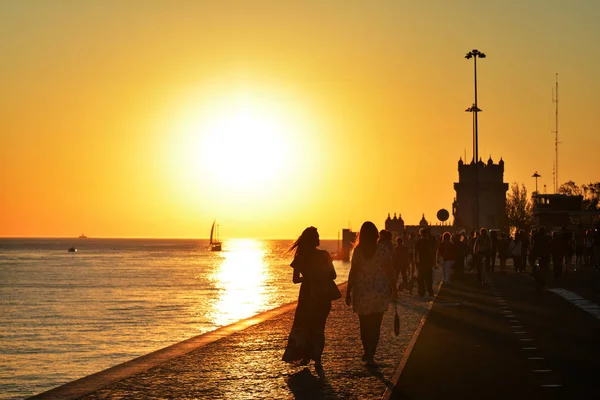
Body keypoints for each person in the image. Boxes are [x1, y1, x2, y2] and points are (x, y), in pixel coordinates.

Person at [283, 226, 341, 373]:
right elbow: (333, 275)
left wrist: (308, 278)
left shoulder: (300, 257)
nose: (319, 238)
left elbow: (295, 280)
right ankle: (318, 359)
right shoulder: (324, 255)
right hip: (322, 295)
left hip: (307, 296)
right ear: (313, 240)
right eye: (317, 236)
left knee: (305, 326)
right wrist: (320, 276)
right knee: (319, 328)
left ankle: (305, 356)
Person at [346, 221, 398, 368]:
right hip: (379, 292)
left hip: (361, 292)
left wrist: (348, 292)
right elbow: (390, 271)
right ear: (375, 234)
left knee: (364, 325)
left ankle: (367, 351)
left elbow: (353, 272)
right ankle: (371, 356)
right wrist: (394, 288)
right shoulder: (383, 250)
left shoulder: (357, 251)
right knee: (375, 326)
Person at [415, 228, 436, 296]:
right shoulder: (429, 242)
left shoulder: (418, 242)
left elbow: (415, 253)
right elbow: (432, 252)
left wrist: (416, 262)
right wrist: (433, 261)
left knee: (421, 278)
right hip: (428, 262)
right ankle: (430, 291)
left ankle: (421, 291)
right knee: (429, 277)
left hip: (421, 262)